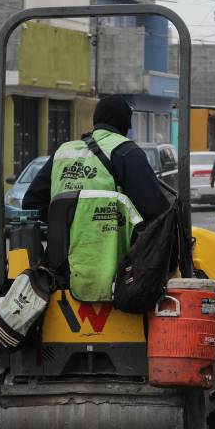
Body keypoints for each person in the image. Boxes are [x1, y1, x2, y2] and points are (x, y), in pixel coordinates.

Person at [21, 94, 169, 302]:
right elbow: (155, 210)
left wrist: (71, 224)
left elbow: (31, 202)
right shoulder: (126, 151)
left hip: (63, 267)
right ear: (126, 125)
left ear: (96, 121)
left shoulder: (63, 152)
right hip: (119, 271)